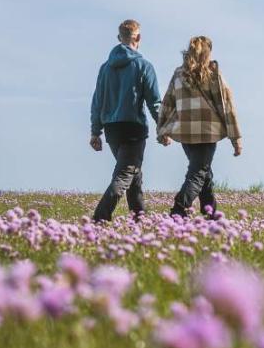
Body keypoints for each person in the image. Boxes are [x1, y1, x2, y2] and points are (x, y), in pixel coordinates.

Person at [156, 35, 243, 218]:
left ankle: (211, 213)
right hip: (207, 132)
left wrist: (161, 129)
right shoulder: (213, 74)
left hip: (185, 132)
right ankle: (178, 211)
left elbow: (167, 102)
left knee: (204, 172)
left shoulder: (179, 74)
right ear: (208, 52)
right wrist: (236, 138)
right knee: (198, 173)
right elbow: (227, 105)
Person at [89, 19, 161, 222]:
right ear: (139, 37)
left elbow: (97, 102)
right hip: (133, 128)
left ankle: (140, 219)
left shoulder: (105, 68)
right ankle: (100, 218)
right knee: (125, 174)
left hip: (112, 130)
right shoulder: (144, 66)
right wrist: (163, 127)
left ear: (119, 38)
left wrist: (95, 132)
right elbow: (154, 102)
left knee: (134, 175)